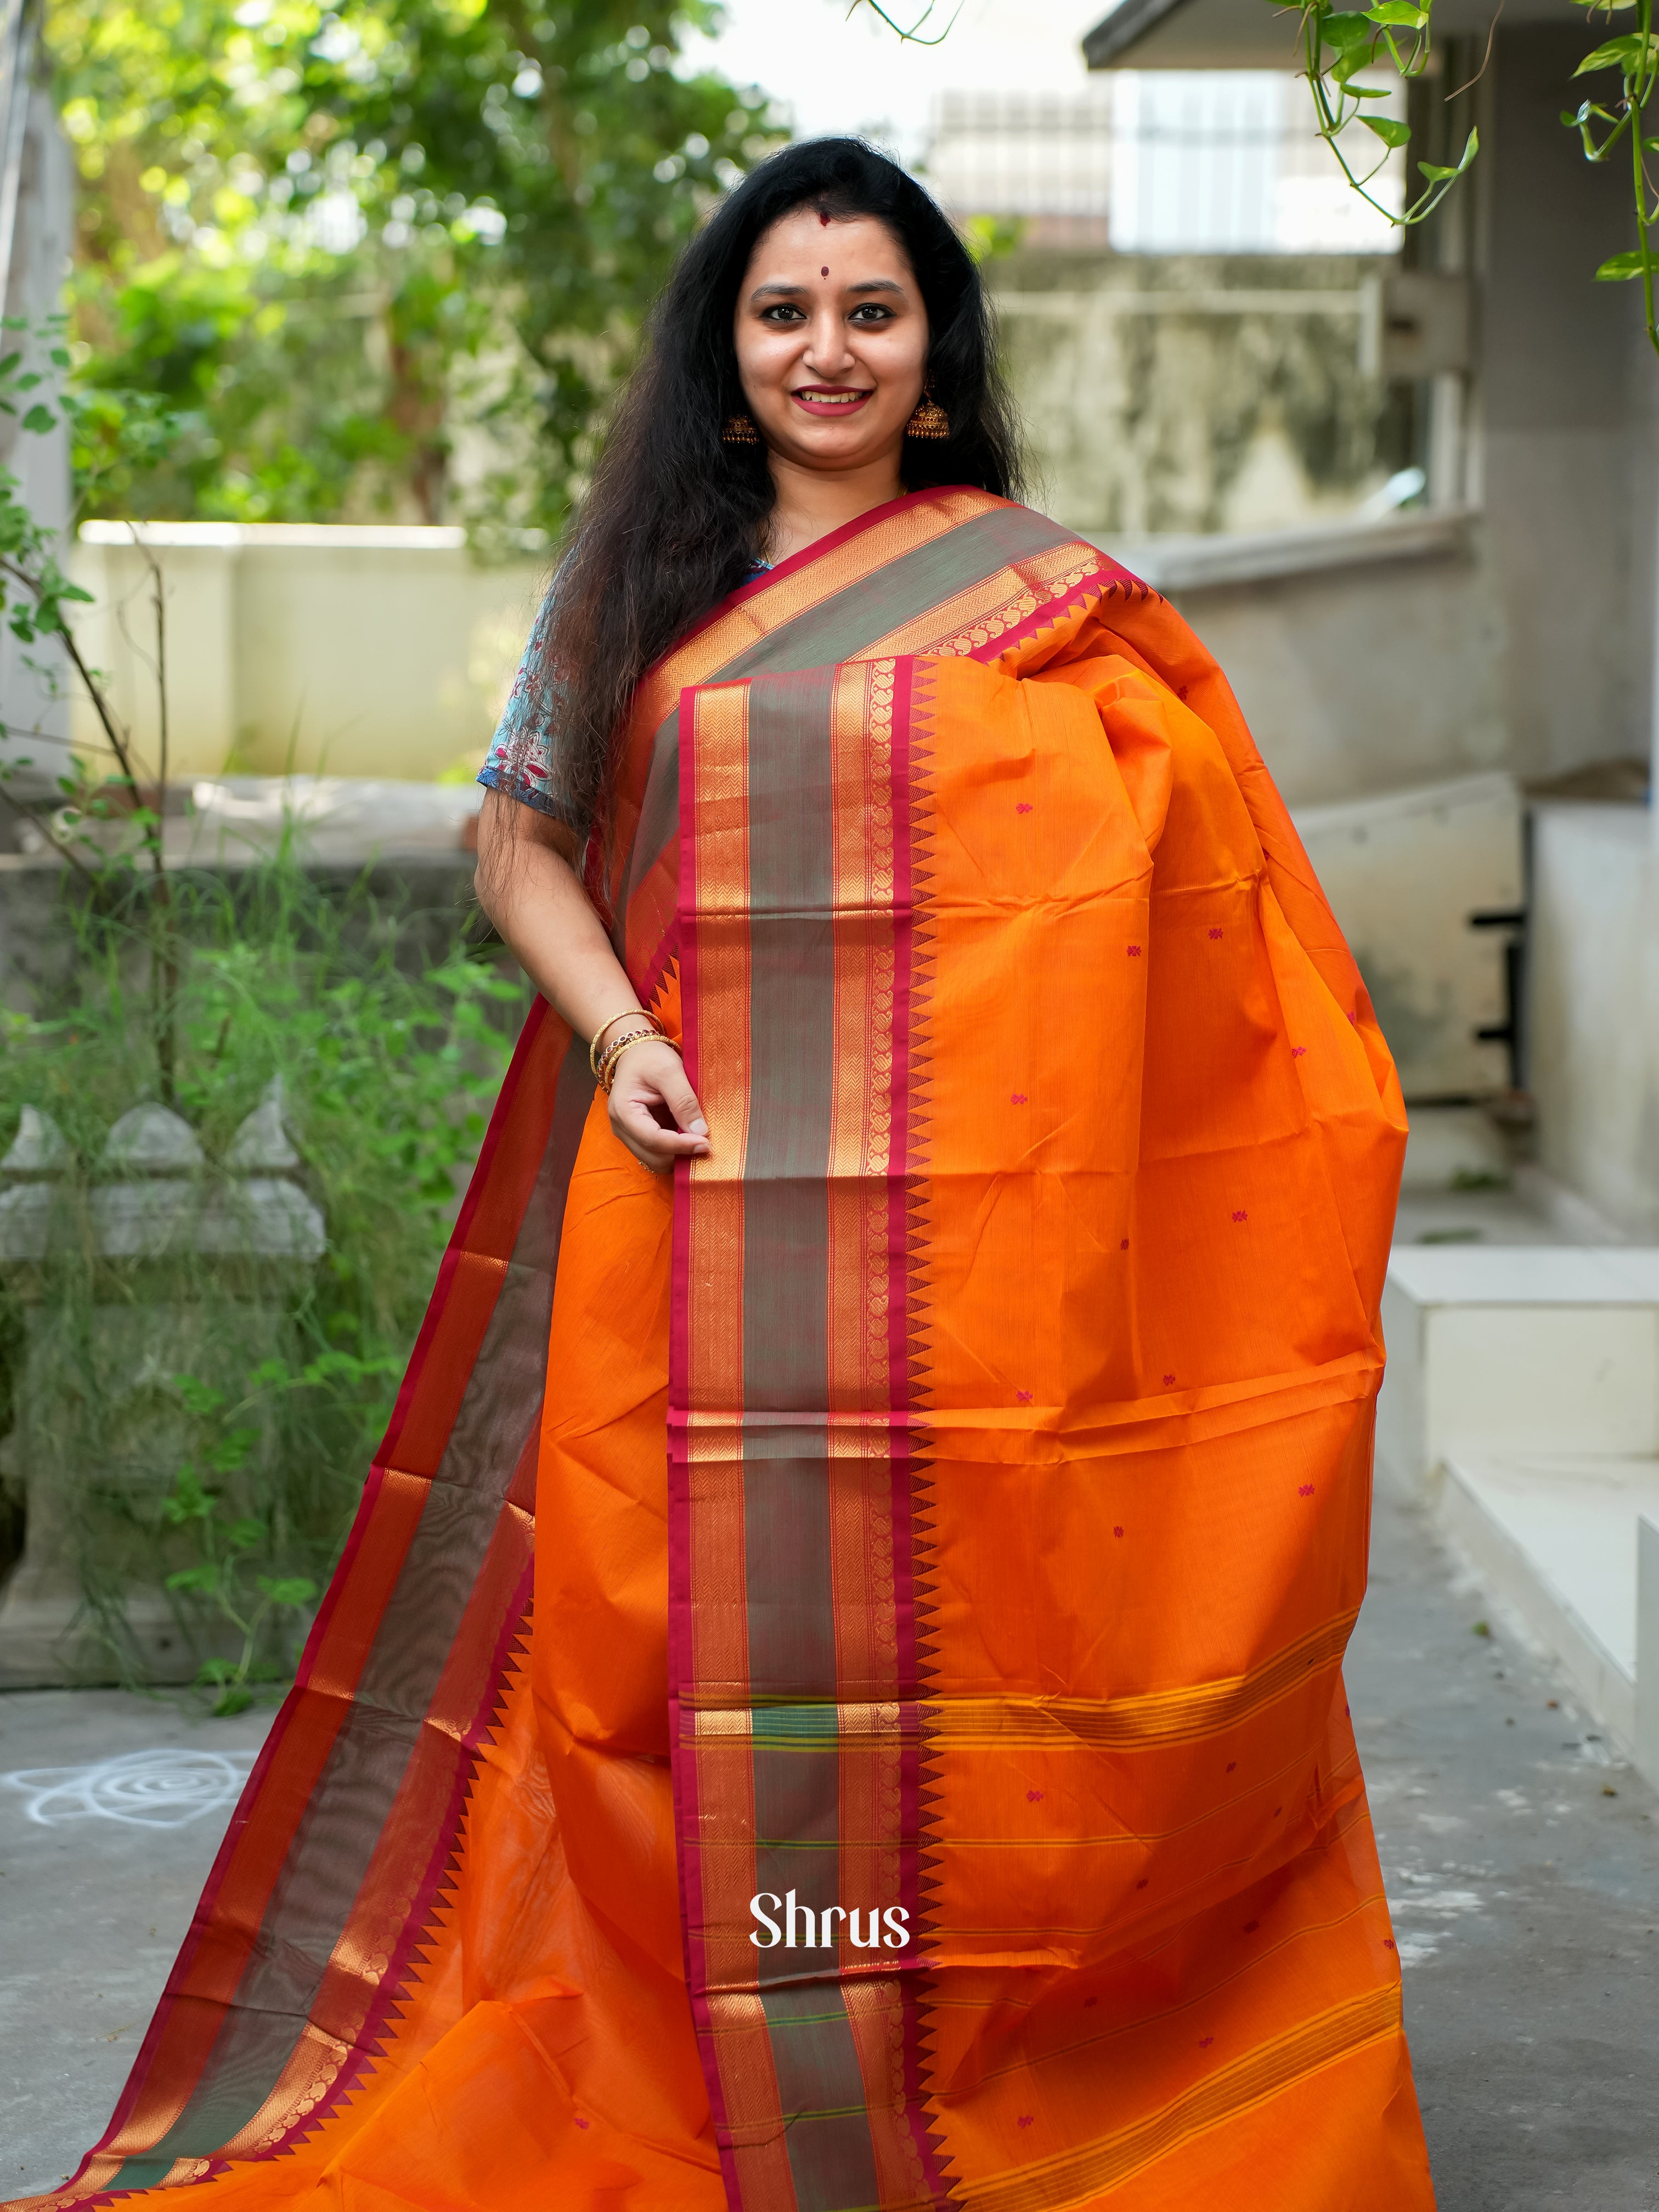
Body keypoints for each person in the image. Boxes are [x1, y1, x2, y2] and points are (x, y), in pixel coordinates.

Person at [16, 140, 1436, 2212]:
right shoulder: (641, 595)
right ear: (729, 345)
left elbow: (1192, 896)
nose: (827, 350)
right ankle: (736, 2069)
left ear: (935, 349)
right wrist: (626, 1036)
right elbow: (514, 843)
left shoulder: (1047, 607)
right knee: (669, 1650)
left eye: (872, 310)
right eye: (786, 312)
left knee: (971, 1649)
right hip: (692, 1210)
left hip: (964, 1250)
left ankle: (972, 2063)